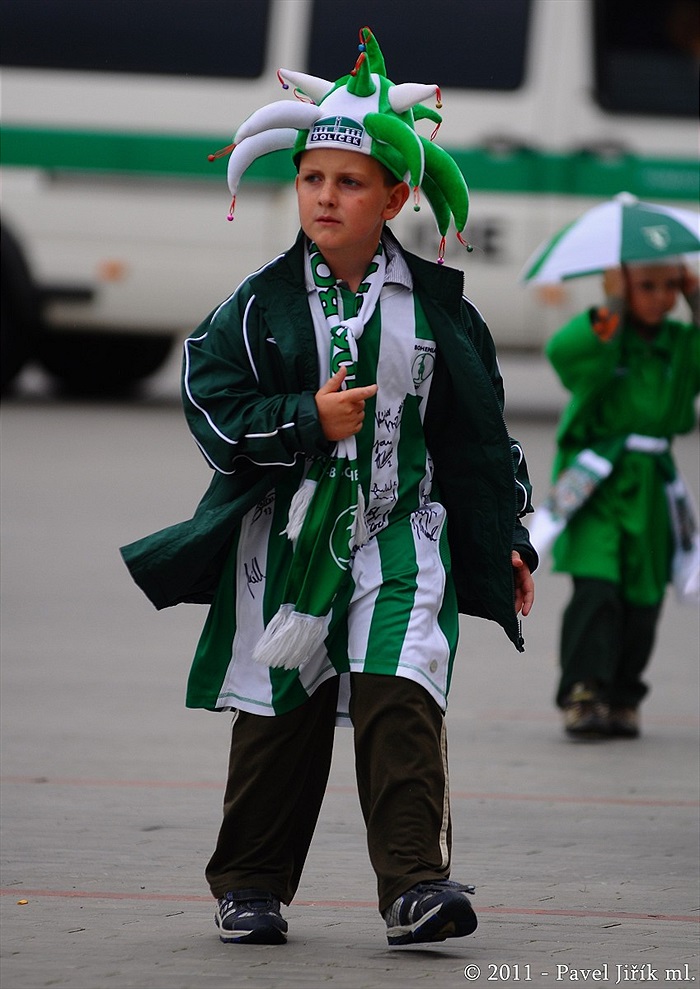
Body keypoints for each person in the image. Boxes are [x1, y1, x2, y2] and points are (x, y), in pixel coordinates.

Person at [121, 27, 537, 947]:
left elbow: (479, 436)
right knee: (281, 710)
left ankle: (414, 887)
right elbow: (207, 392)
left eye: (349, 182)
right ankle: (250, 883)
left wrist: (508, 535)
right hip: (288, 537)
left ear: (395, 195)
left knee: (402, 691)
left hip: (399, 534)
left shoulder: (438, 307)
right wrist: (306, 420)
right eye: (312, 178)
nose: (325, 195)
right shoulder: (262, 301)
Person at [542, 259, 699, 739]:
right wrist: (611, 301)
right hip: (598, 483)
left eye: (670, 286)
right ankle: (584, 690)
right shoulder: (606, 331)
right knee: (596, 587)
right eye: (645, 286)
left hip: (652, 486)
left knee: (644, 594)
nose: (659, 297)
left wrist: (696, 298)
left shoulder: (677, 343)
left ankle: (624, 694)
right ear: (619, 284)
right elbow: (565, 354)